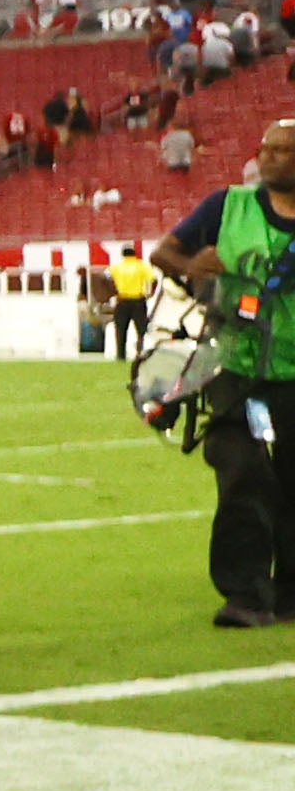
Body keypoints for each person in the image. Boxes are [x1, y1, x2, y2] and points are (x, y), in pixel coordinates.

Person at [147, 110, 295, 627]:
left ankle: (289, 594)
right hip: (238, 373)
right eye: (266, 148)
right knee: (243, 473)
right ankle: (247, 595)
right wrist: (191, 271)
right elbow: (164, 252)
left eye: (284, 150)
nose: (270, 157)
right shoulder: (226, 207)